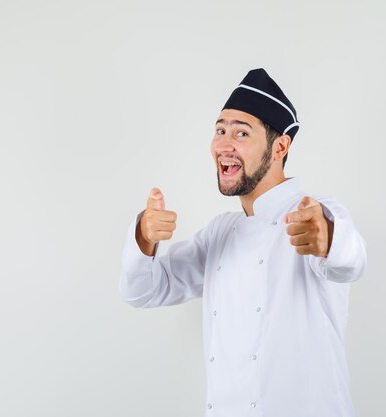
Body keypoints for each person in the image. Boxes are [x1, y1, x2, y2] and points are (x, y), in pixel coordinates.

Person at [119, 68, 367, 417]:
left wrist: (327, 237)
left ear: (280, 146)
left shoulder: (314, 214)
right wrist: (144, 237)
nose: (224, 144)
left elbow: (352, 259)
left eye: (241, 132)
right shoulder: (220, 233)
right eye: (220, 130)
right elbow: (143, 291)